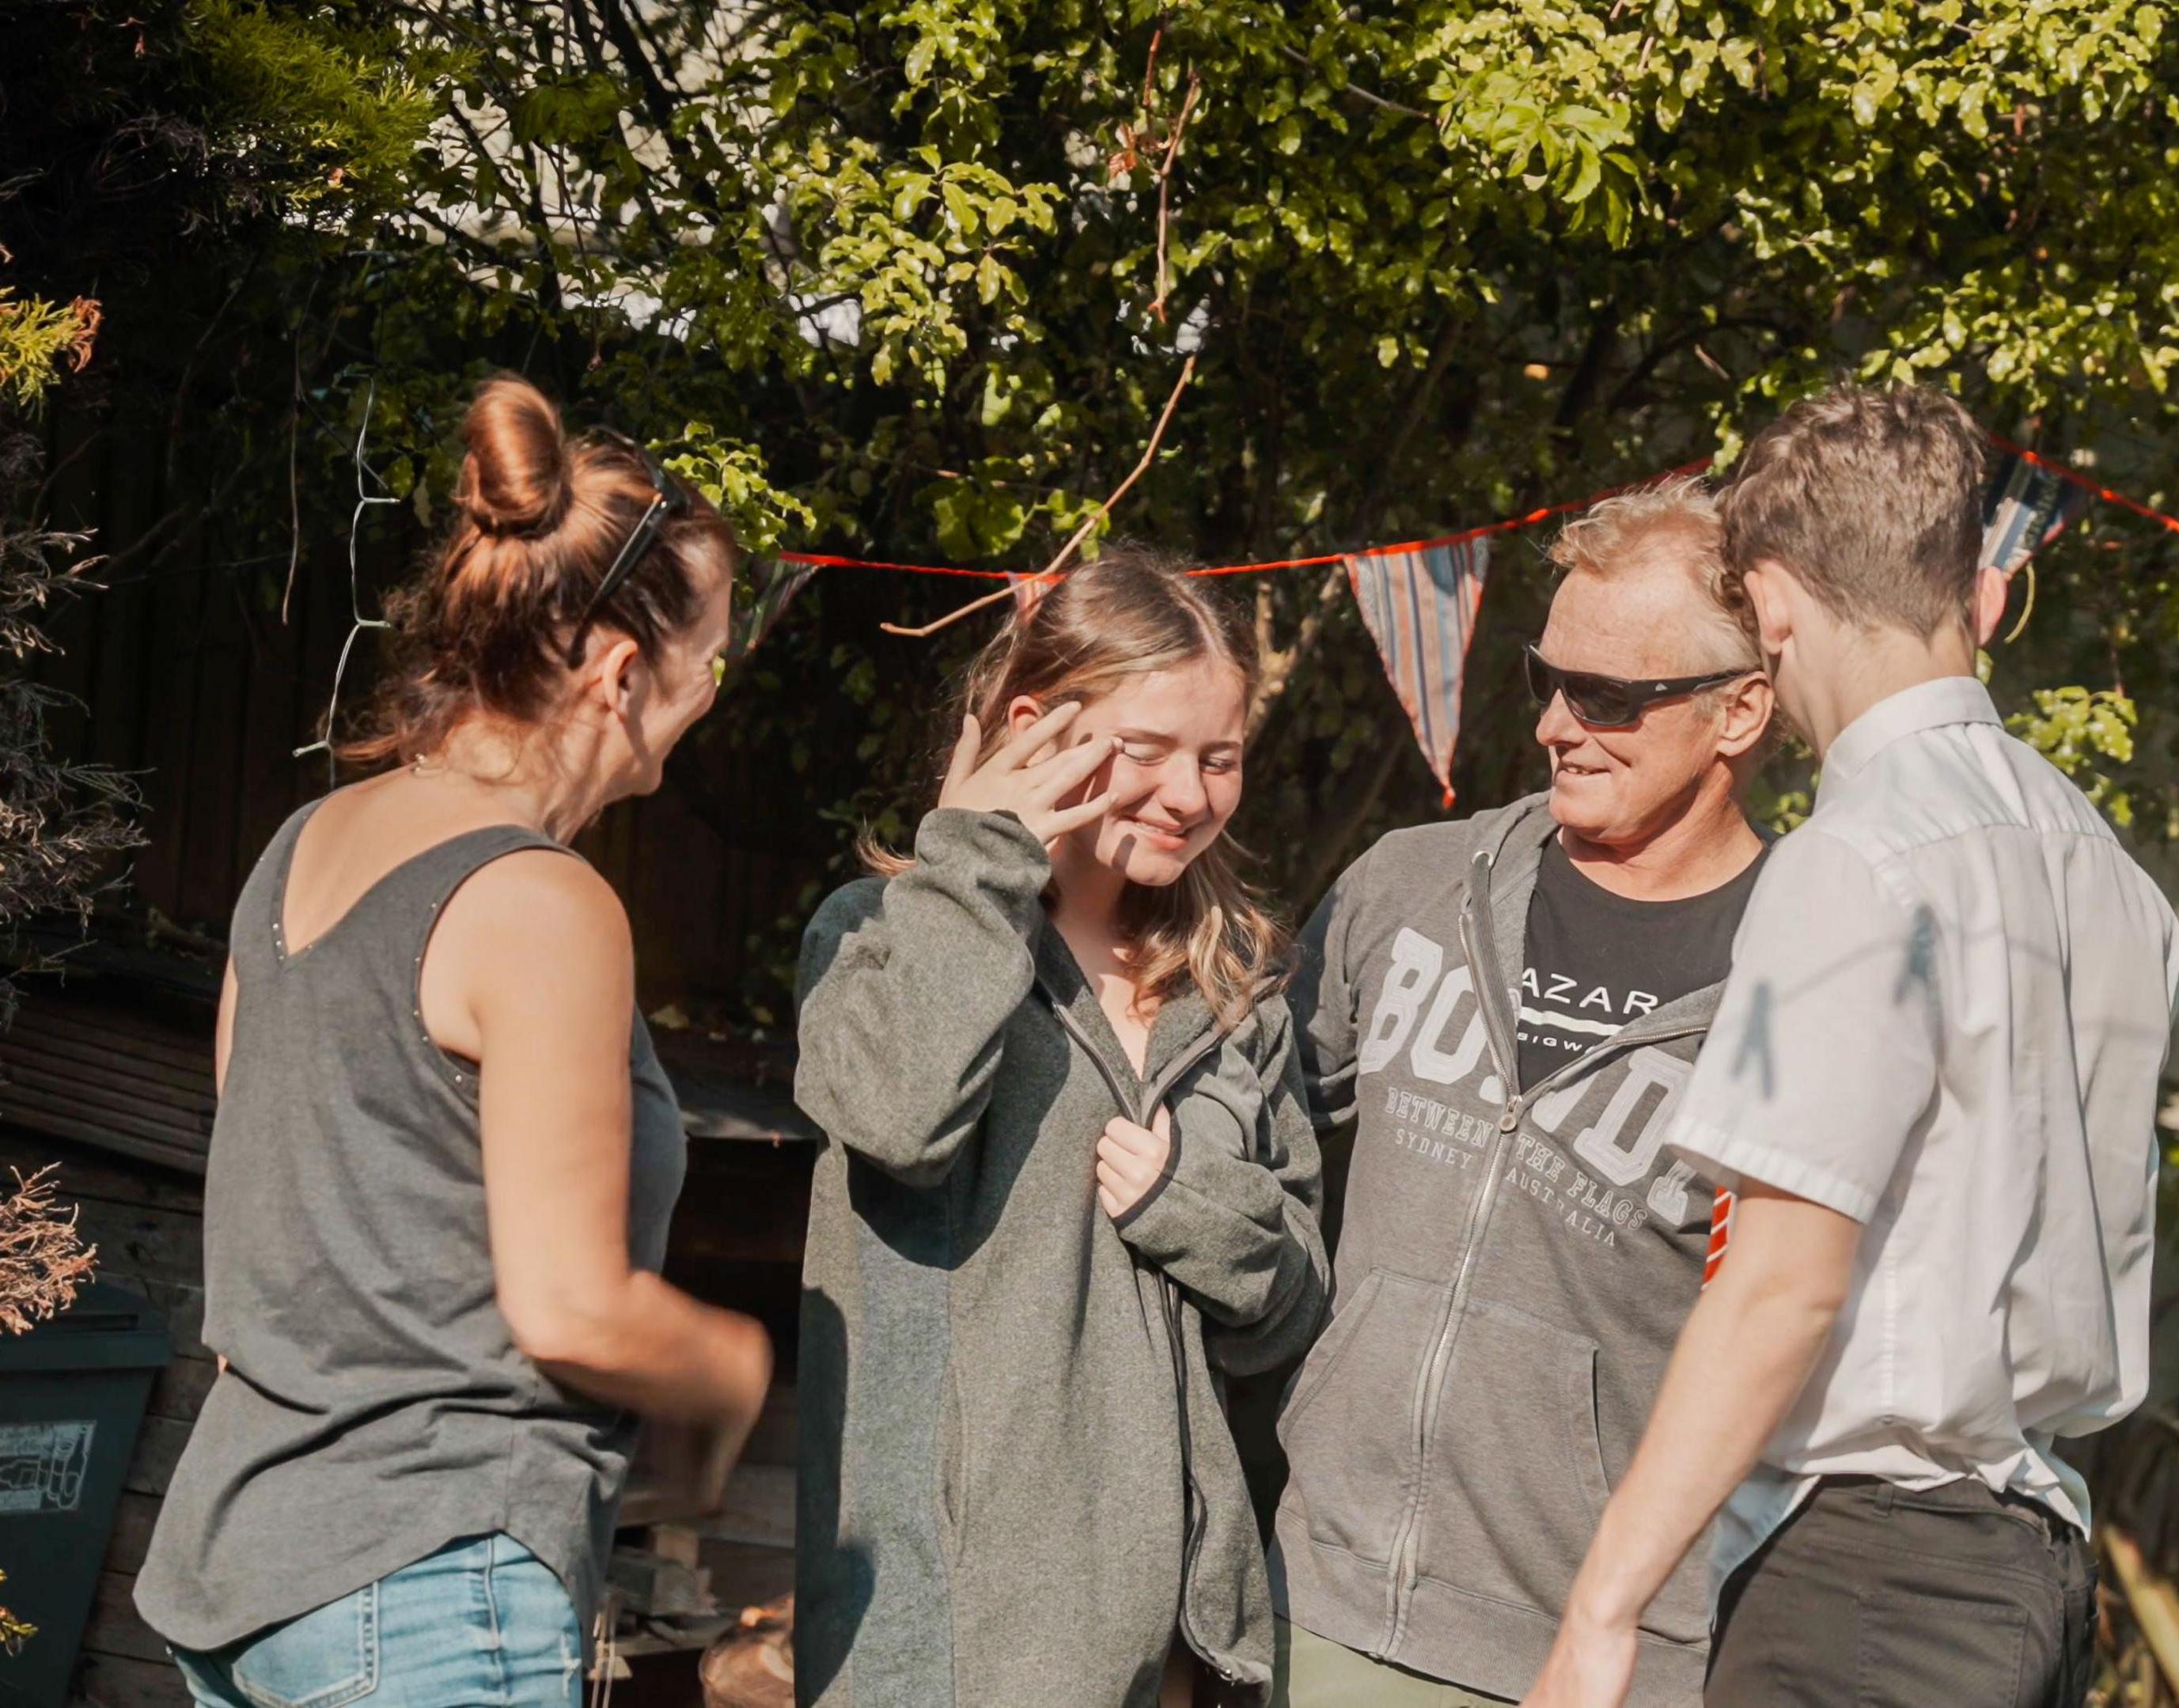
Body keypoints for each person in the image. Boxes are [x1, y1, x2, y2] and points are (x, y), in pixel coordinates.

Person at [1522, 387, 2179, 1708]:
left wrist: (1603, 1613)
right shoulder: (2110, 873)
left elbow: (1783, 1284)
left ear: (1770, 608)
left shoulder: (1852, 862)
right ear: (1984, 599)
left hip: (1870, 1576)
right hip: (2034, 1563)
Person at [138, 374, 776, 1708]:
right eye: (712, 653)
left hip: (245, 1576)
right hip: (422, 1592)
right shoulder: (542, 904)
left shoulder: (298, 850)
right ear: (617, 673)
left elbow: (263, 1248)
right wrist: (731, 1368)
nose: (715, 688)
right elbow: (570, 1306)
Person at [790, 548, 1329, 1708]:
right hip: (948, 1652)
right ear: (1033, 729)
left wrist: (1190, 1206)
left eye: (1220, 757)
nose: (1189, 795)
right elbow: (897, 1116)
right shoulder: (876, 937)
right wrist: (979, 854)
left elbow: (1293, 1305)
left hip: (1181, 1645)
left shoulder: (1240, 994)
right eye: (1147, 750)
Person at [1275, 479, 1780, 1708]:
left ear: (1741, 711)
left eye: (1610, 696)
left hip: (1598, 1660)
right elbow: (1256, 1143)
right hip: (1322, 1608)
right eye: (1545, 680)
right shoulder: (1411, 885)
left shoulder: (1803, 976)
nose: (1558, 724)